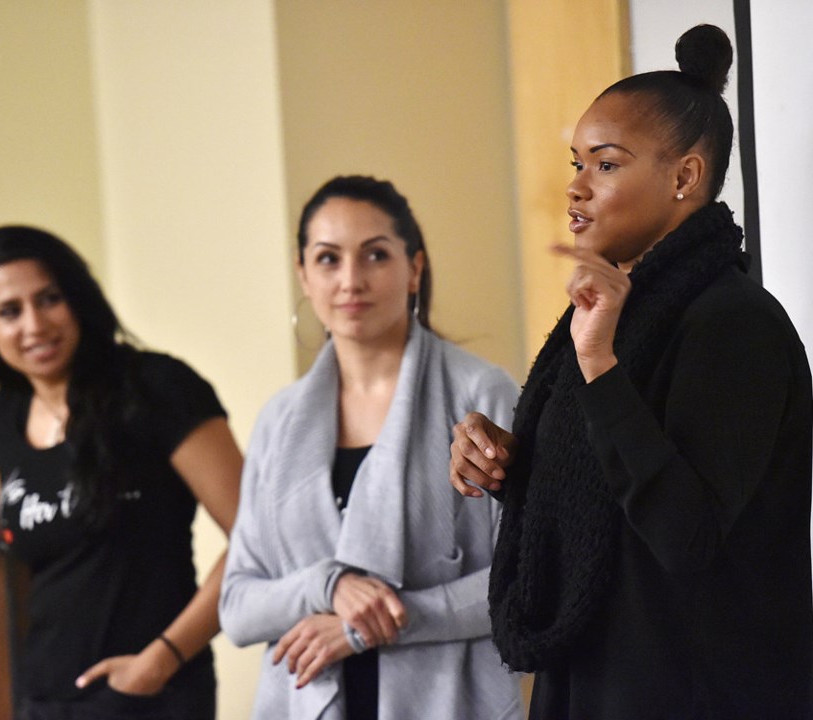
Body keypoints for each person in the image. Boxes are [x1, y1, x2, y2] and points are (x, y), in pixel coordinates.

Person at [449, 24, 813, 719]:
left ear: (685, 177)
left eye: (606, 165)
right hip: (596, 687)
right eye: (575, 164)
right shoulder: (616, 314)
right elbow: (606, 496)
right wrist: (508, 462)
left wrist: (599, 366)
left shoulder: (736, 325)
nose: (577, 190)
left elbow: (686, 535)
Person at [0, 225, 242, 720]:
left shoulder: (157, 389)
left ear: (80, 300)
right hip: (43, 696)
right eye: (9, 312)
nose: (34, 325)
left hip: (150, 695)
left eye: (50, 299)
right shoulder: (5, 415)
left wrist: (161, 659)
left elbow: (257, 535)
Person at [219, 175, 523, 720]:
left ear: (415, 268)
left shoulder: (481, 395)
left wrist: (368, 625)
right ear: (303, 275)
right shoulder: (279, 421)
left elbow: (525, 578)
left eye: (375, 255)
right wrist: (327, 586)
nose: (351, 280)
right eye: (329, 259)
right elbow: (238, 607)